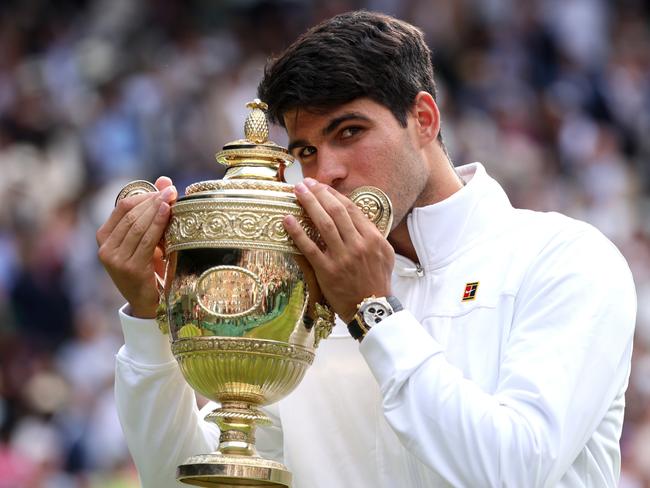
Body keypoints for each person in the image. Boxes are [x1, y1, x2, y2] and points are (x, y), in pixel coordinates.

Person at [96, 10, 636, 488]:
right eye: (306, 150)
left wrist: (374, 313)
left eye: (350, 132)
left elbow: (513, 471)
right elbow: (193, 481)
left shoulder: (565, 257)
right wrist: (148, 321)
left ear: (423, 119)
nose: (326, 170)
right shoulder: (300, 292)